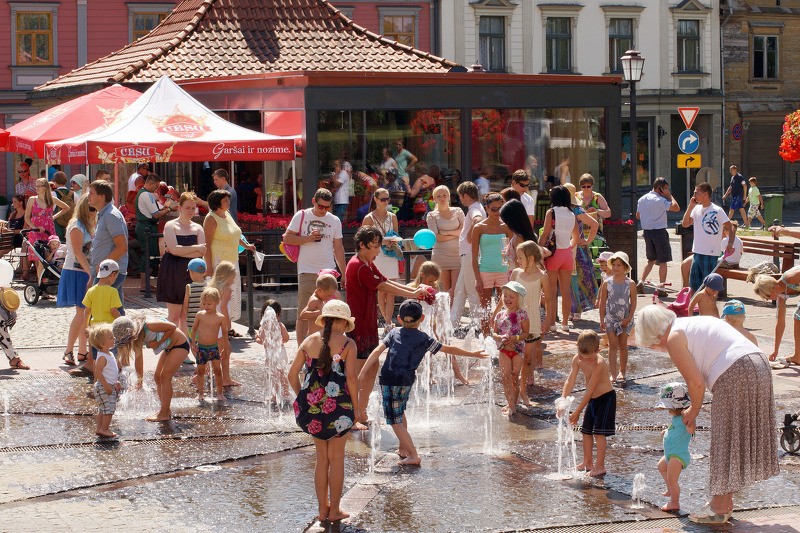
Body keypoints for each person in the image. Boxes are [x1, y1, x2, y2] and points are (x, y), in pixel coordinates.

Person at [635, 306, 779, 524]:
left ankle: (719, 507)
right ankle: (724, 502)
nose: (659, 349)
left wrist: (693, 409)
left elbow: (696, 382)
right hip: (758, 364)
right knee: (734, 437)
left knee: (724, 439)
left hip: (735, 371)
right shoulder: (692, 323)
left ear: (655, 334)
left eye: (655, 345)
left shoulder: (674, 337)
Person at [359, 299, 485, 465]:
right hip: (406, 381)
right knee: (400, 411)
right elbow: (449, 349)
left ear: (399, 318)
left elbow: (376, 351)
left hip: (390, 379)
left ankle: (413, 454)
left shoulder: (393, 333)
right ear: (422, 318)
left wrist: (362, 372)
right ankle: (403, 448)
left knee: (393, 420)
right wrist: (473, 354)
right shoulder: (424, 338)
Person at [346, 226, 426, 428]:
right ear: (362, 245)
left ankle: (361, 413)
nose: (378, 251)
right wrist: (412, 294)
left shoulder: (367, 263)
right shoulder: (359, 266)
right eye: (374, 247)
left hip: (368, 324)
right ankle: (353, 416)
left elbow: (384, 281)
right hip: (359, 326)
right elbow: (381, 287)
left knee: (371, 368)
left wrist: (413, 289)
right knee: (357, 373)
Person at [287, 300, 358, 524]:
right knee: (337, 459)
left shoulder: (308, 341)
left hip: (314, 408)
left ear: (325, 319)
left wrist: (303, 397)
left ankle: (322, 510)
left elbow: (292, 374)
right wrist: (357, 409)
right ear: (343, 322)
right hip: (340, 408)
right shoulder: (348, 345)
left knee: (321, 459)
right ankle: (335, 510)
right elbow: (352, 380)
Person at [284, 189, 347, 341]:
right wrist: (308, 238)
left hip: (328, 272)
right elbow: (287, 238)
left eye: (327, 207)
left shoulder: (334, 220)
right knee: (304, 312)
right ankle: (302, 350)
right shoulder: (302, 215)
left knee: (333, 311)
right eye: (321, 206)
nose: (324, 210)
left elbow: (338, 248)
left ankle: (329, 346)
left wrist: (344, 273)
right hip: (307, 270)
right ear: (314, 201)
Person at [112, 314, 191, 422]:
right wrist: (140, 381)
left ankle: (163, 414)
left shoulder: (149, 325)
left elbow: (172, 327)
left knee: (165, 377)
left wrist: (158, 342)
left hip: (180, 344)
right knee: (157, 377)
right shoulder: (137, 336)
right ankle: (165, 410)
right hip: (170, 348)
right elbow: (139, 359)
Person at [561, 329, 615, 477]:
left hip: (606, 399)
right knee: (586, 432)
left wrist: (577, 411)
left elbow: (590, 389)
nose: (585, 360)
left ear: (598, 350)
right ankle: (587, 462)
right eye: (582, 356)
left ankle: (600, 466)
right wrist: (562, 400)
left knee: (599, 433)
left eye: (589, 358)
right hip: (592, 399)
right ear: (577, 347)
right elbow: (570, 380)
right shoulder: (577, 359)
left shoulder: (599, 363)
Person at [202, 189, 256, 334]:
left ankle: (228, 327)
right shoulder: (211, 218)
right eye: (225, 200)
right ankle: (220, 328)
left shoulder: (228, 215)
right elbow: (206, 243)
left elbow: (236, 234)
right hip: (218, 261)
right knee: (220, 296)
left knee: (231, 295)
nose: (228, 202)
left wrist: (247, 246)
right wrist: (209, 266)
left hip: (232, 260)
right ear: (216, 202)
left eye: (228, 200)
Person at [157, 193, 205, 330]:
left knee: (187, 314)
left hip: (191, 273)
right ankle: (171, 346)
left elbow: (203, 251)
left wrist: (181, 250)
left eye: (193, 208)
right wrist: (195, 248)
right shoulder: (170, 225)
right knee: (173, 315)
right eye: (188, 208)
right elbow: (173, 249)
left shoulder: (198, 227)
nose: (190, 211)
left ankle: (184, 346)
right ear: (180, 208)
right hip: (173, 270)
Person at [58, 195, 96, 366]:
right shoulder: (77, 225)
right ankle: (68, 350)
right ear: (84, 207)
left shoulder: (88, 225)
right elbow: (78, 253)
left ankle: (82, 351)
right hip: (76, 271)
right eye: (92, 208)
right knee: (81, 314)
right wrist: (91, 273)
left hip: (84, 271)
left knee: (86, 314)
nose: (94, 212)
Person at [539, 186, 580, 333]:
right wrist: (568, 246)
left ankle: (551, 323)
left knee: (551, 290)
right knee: (566, 290)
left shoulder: (552, 212)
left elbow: (545, 234)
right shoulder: (571, 214)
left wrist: (538, 248)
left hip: (553, 254)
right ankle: (565, 323)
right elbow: (577, 237)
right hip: (567, 254)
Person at [681, 182, 733, 292]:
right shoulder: (696, 209)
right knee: (694, 285)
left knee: (708, 287)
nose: (694, 195)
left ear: (705, 194)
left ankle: (709, 307)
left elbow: (730, 227)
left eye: (696, 193)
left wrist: (730, 243)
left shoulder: (717, 210)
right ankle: (696, 308)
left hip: (711, 253)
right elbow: (685, 224)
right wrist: (690, 206)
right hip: (697, 252)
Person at [472, 192, 513, 333]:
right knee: (485, 307)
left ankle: (502, 335)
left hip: (503, 270)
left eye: (500, 209)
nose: (497, 212)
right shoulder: (479, 227)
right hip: (485, 270)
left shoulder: (506, 226)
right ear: (487, 209)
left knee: (506, 306)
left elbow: (513, 251)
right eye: (494, 209)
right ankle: (486, 338)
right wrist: (477, 279)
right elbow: (473, 257)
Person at [361, 188, 401, 326]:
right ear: (376, 200)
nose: (386, 202)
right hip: (376, 255)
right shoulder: (369, 218)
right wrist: (381, 241)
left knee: (391, 290)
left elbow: (396, 234)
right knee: (381, 289)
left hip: (391, 253)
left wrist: (393, 240)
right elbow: (363, 239)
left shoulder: (393, 216)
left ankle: (388, 322)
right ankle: (385, 320)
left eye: (388, 199)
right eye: (383, 199)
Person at [491, 281, 530, 417]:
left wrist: (515, 338)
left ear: (519, 298)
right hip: (504, 350)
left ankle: (514, 400)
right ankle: (511, 405)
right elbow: (494, 333)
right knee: (505, 376)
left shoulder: (522, 314)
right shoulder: (500, 315)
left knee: (514, 376)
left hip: (517, 350)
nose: (507, 299)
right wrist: (500, 337)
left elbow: (526, 333)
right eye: (505, 296)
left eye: (511, 297)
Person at [88, 180, 129, 310]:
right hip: (107, 271)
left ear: (102, 196)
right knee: (115, 311)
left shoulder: (111, 215)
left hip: (108, 272)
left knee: (100, 310)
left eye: (91, 193)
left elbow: (122, 246)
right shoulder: (104, 214)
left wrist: (103, 264)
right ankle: (123, 331)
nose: (88, 196)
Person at [510, 241, 546, 391]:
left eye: (520, 258)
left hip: (533, 319)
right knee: (517, 350)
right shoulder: (516, 273)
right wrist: (496, 314)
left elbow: (549, 300)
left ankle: (528, 375)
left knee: (529, 355)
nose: (518, 261)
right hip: (515, 318)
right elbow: (507, 294)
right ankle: (519, 378)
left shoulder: (542, 276)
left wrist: (548, 321)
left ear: (530, 258)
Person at [597, 252, 637, 383]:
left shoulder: (630, 284)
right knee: (612, 346)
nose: (615, 267)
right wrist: (602, 319)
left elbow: (634, 303)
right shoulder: (607, 283)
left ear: (625, 267)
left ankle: (622, 371)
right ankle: (613, 374)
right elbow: (603, 302)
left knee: (623, 345)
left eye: (619, 265)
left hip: (625, 318)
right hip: (611, 318)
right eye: (613, 264)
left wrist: (629, 318)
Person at [563, 183, 599, 321]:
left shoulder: (577, 210)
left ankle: (576, 309)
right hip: (566, 247)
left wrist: (588, 241)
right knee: (569, 280)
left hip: (577, 249)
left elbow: (594, 224)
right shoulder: (561, 209)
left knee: (578, 279)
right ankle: (572, 309)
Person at [655, 381, 693, 512]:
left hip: (678, 456)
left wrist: (690, 421)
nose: (667, 410)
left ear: (676, 407)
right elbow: (676, 430)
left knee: (673, 479)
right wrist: (666, 431)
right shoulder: (677, 419)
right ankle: (670, 489)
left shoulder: (686, 418)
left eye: (669, 408)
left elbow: (690, 430)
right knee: (661, 467)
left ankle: (674, 502)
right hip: (670, 454)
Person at [82, 259, 124, 374]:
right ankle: (111, 379)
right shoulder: (112, 291)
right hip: (108, 330)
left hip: (95, 330)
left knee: (97, 357)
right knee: (111, 356)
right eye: (116, 277)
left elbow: (87, 311)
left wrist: (86, 327)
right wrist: (121, 321)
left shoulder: (91, 290)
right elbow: (114, 311)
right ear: (113, 275)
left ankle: (97, 381)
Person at [751, 265, 800, 362]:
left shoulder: (789, 278)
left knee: (797, 316)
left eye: (767, 296)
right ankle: (798, 356)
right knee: (797, 316)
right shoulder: (781, 295)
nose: (768, 299)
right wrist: (775, 351)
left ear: (772, 288)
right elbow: (780, 323)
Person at [136, 174, 175, 292]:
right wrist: (169, 209)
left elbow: (156, 212)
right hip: (146, 226)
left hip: (146, 226)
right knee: (148, 255)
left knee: (149, 255)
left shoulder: (144, 193)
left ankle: (146, 284)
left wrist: (164, 209)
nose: (156, 189)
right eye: (156, 186)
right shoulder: (146, 194)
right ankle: (144, 285)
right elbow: (156, 215)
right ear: (150, 183)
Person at [25, 178, 70, 280]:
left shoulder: (51, 199)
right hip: (36, 230)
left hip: (48, 229)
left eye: (38, 186)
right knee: (38, 256)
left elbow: (66, 207)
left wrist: (53, 217)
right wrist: (35, 227)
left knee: (50, 253)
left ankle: (48, 280)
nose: (36, 188)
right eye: (35, 186)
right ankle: (41, 280)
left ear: (45, 187)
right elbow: (27, 217)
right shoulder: (32, 199)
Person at [426, 185, 464, 298]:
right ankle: (447, 315)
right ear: (435, 199)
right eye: (439, 196)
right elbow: (436, 237)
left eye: (444, 195)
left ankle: (454, 315)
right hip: (440, 256)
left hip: (457, 255)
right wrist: (455, 233)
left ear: (449, 197)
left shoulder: (458, 211)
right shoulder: (431, 215)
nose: (442, 198)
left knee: (457, 289)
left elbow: (464, 231)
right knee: (444, 292)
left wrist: (445, 233)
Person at [190, 287, 227, 402]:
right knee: (200, 371)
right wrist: (192, 343)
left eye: (209, 304)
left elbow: (225, 333)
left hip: (213, 348)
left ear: (217, 302)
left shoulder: (220, 317)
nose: (206, 306)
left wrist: (225, 347)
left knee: (218, 371)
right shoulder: (200, 315)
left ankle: (220, 393)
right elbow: (194, 329)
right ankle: (201, 393)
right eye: (204, 303)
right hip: (201, 347)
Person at [89, 324, 123, 438]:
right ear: (103, 344)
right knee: (109, 409)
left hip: (108, 385)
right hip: (104, 387)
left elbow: (110, 372)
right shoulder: (102, 357)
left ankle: (100, 429)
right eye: (111, 337)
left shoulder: (110, 354)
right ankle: (105, 429)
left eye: (113, 336)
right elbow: (98, 372)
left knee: (103, 409)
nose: (114, 338)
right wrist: (107, 386)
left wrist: (116, 381)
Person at [255, 299, 291, 404]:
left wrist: (256, 338)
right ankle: (286, 392)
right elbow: (287, 338)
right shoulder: (280, 325)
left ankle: (275, 396)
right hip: (282, 353)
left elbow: (261, 341)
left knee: (273, 375)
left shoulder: (263, 326)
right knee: (282, 374)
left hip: (271, 355)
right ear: (278, 314)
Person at [208, 261, 237, 385]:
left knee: (223, 351)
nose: (234, 279)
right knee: (224, 352)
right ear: (227, 276)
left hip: (212, 324)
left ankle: (220, 376)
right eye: (233, 277)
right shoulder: (225, 289)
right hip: (220, 326)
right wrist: (228, 324)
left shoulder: (212, 288)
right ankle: (224, 379)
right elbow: (224, 308)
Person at [0, 287, 27, 370]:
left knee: (3, 334)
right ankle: (14, 359)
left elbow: (10, 304)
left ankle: (14, 359)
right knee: (3, 333)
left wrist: (11, 317)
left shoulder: (7, 295)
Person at [182, 258, 208, 340]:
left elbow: (186, 304)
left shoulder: (189, 287)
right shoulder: (209, 286)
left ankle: (196, 353)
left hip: (192, 321)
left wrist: (184, 317)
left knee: (193, 342)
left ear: (191, 272)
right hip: (206, 321)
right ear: (205, 272)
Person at [5, 195, 28, 275]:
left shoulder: (26, 214)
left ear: (21, 203)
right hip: (10, 237)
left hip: (19, 238)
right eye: (12, 202)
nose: (12, 204)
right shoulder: (12, 214)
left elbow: (23, 230)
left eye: (15, 202)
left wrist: (11, 231)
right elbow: (7, 226)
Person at [52, 171, 74, 242]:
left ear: (55, 181)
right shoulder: (73, 194)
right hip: (69, 224)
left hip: (57, 225)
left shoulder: (53, 194)